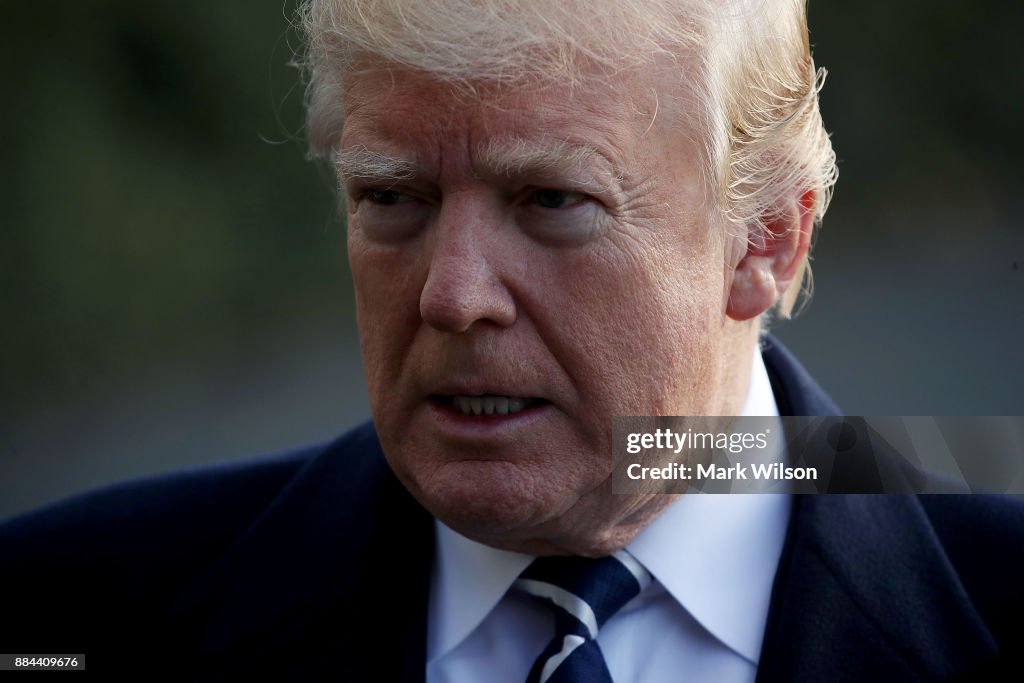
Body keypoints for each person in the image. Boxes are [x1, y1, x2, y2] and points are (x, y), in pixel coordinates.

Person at [1, 0, 1021, 680]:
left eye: (552, 201)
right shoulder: (63, 608)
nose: (451, 295)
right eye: (392, 196)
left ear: (764, 237)